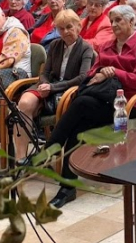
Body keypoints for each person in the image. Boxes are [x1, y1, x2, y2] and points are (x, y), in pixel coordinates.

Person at [49, 5, 136, 207]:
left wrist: (114, 71)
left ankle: (52, 148)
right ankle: (67, 187)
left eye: (118, 20)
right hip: (102, 99)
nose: (113, 25)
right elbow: (92, 72)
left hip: (129, 104)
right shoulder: (107, 45)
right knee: (78, 127)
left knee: (81, 105)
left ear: (131, 21)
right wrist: (98, 74)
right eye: (112, 20)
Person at [12, 10, 96, 164]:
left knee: (39, 105)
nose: (65, 32)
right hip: (49, 85)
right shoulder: (55, 45)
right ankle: (21, 159)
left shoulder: (86, 48)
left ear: (78, 26)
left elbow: (82, 78)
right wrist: (45, 84)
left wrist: (52, 88)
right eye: (61, 28)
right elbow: (45, 72)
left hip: (68, 90)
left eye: (69, 27)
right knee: (24, 103)